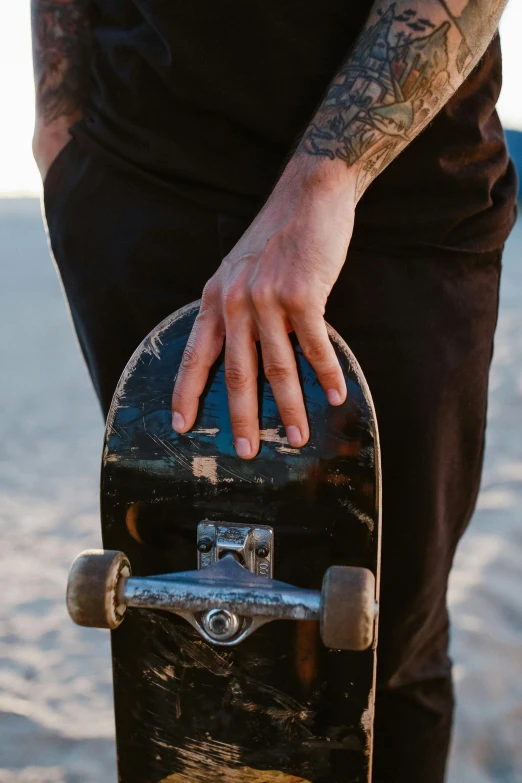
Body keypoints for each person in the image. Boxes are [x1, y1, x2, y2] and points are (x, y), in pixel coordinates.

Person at [31, 1, 516, 780]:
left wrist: (326, 180)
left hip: (394, 202)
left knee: (386, 641)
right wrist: (56, 122)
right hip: (139, 185)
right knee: (182, 652)